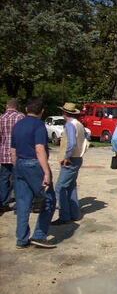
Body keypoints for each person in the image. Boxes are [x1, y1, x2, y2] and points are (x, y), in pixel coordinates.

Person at [11, 97, 56, 249]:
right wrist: (47, 172)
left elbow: (13, 150)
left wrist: (16, 167)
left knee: (23, 203)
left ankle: (22, 239)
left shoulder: (17, 125)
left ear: (26, 109)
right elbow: (39, 149)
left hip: (20, 164)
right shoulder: (39, 125)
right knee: (49, 199)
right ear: (42, 111)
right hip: (34, 164)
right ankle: (39, 235)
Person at [52, 103, 89, 225]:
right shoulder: (78, 124)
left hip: (71, 159)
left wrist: (67, 157)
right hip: (77, 158)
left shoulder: (69, 124)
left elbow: (72, 143)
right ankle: (75, 213)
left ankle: (64, 216)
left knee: (60, 187)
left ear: (64, 113)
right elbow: (86, 137)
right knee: (71, 186)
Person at [0, 99, 25, 213]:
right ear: (17, 106)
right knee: (17, 179)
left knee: (4, 178)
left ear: (7, 106)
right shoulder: (21, 117)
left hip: (4, 152)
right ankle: (18, 204)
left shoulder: (1, 118)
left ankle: (4, 202)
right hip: (18, 153)